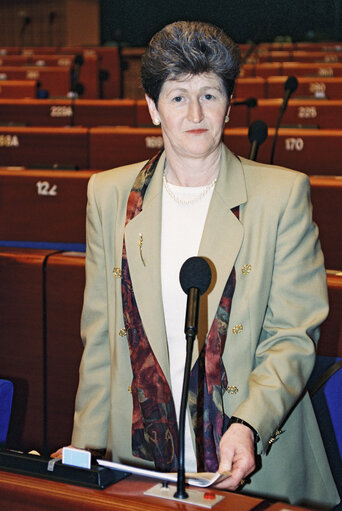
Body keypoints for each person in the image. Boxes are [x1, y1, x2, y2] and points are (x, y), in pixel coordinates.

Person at [56, 21, 339, 508]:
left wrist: (250, 423)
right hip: (139, 459)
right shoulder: (109, 195)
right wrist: (86, 449)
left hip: (252, 456)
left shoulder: (281, 195)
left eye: (210, 94)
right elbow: (101, 335)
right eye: (177, 96)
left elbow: (293, 334)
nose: (195, 113)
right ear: (152, 108)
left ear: (229, 105)